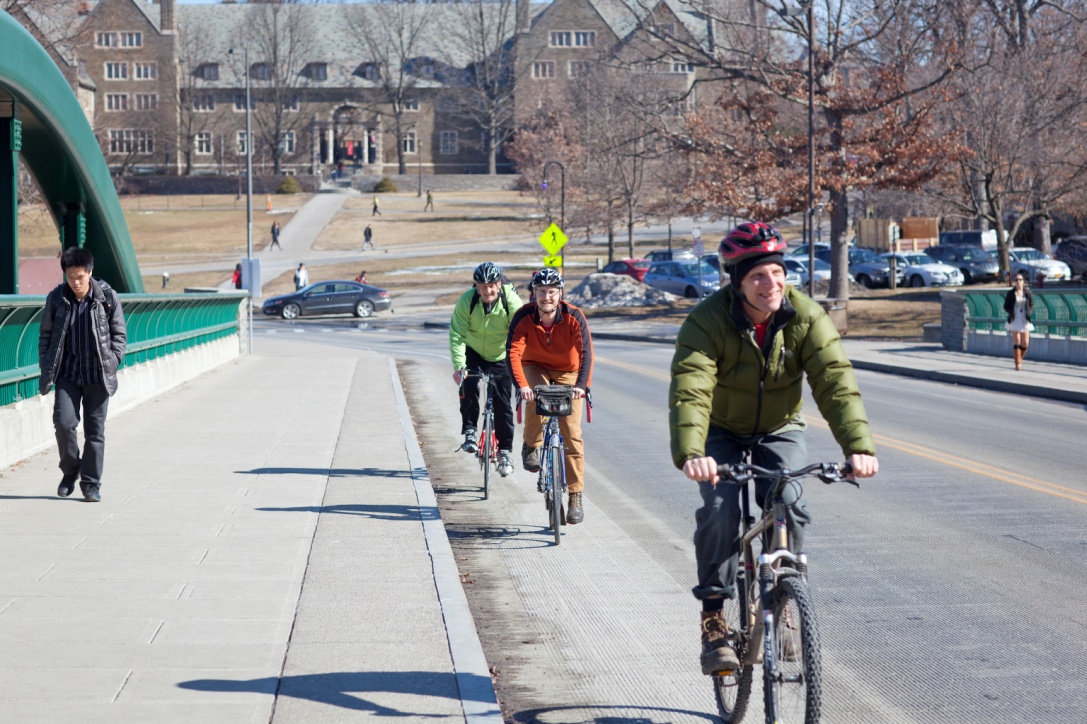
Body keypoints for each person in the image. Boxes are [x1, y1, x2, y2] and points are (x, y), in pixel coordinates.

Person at [668, 221, 878, 675]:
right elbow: (692, 389)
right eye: (758, 276)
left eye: (778, 272)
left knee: (789, 499)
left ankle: (783, 594)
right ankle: (714, 617)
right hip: (720, 430)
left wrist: (858, 447)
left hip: (779, 427)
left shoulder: (806, 317)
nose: (772, 284)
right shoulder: (707, 321)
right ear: (737, 282)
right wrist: (691, 453)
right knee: (721, 510)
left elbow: (836, 383)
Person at [38, 248, 127, 503]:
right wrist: (46, 363)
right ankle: (70, 471)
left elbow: (119, 335)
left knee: (95, 431)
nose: (75, 283)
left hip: (98, 375)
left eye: (79, 277)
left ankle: (91, 484)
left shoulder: (107, 297)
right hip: (67, 374)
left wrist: (113, 361)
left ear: (90, 272)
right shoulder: (56, 298)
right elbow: (45, 334)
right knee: (64, 424)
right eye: (70, 277)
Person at [506, 269, 594, 524]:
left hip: (569, 371)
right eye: (541, 292)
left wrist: (582, 386)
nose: (546, 297)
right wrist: (522, 386)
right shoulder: (523, 316)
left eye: (551, 292)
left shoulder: (574, 316)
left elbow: (586, 352)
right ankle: (531, 444)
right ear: (534, 293)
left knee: (571, 431)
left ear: (560, 293)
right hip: (534, 366)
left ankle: (575, 495)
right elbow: (513, 353)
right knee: (535, 398)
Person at [450, 262, 523, 477]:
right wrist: (459, 366)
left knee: (503, 405)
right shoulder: (468, 301)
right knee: (468, 384)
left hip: (501, 354)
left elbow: (521, 335)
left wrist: (518, 365)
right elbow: (457, 335)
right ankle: (470, 432)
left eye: (491, 285)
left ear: (499, 284)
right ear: (476, 287)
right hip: (473, 351)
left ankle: (505, 452)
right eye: (482, 286)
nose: (487, 290)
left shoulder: (511, 301)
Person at [1003, 271, 1034, 371]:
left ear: (1023, 281)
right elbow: (1006, 306)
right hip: (1015, 318)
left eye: (1020, 280)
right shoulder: (1011, 293)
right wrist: (1011, 311)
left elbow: (1032, 304)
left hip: (1024, 318)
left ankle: (1019, 358)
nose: (1018, 282)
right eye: (1016, 280)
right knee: (1017, 341)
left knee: (1025, 343)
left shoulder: (1027, 292)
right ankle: (1018, 364)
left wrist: (1029, 312)